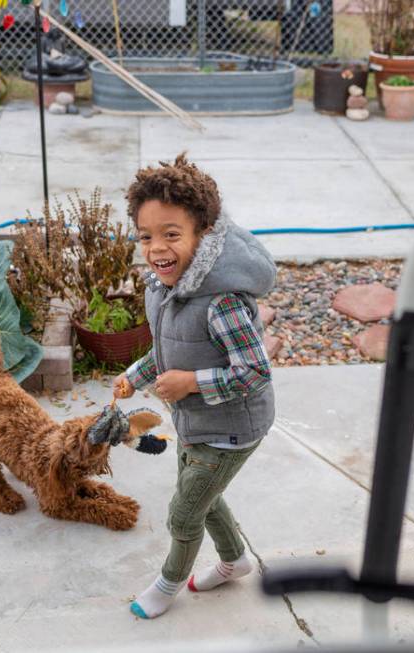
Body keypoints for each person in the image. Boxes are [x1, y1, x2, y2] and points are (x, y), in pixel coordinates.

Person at [113, 154, 277, 619]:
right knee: (204, 495)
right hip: (196, 421)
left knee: (184, 514)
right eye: (146, 236)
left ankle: (167, 585)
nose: (156, 247)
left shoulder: (221, 302)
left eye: (171, 234)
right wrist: (135, 377)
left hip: (232, 429)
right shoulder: (166, 288)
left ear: (202, 235)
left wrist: (190, 384)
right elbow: (171, 354)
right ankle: (235, 561)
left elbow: (255, 371)